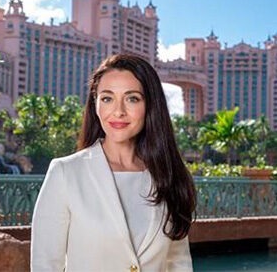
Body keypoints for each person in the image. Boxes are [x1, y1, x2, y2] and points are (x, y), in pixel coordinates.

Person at [31, 54, 196, 272]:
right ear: (95, 104)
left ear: (150, 105)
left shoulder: (168, 176)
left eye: (132, 98)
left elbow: (179, 264)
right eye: (107, 98)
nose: (118, 111)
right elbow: (45, 265)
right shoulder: (65, 173)